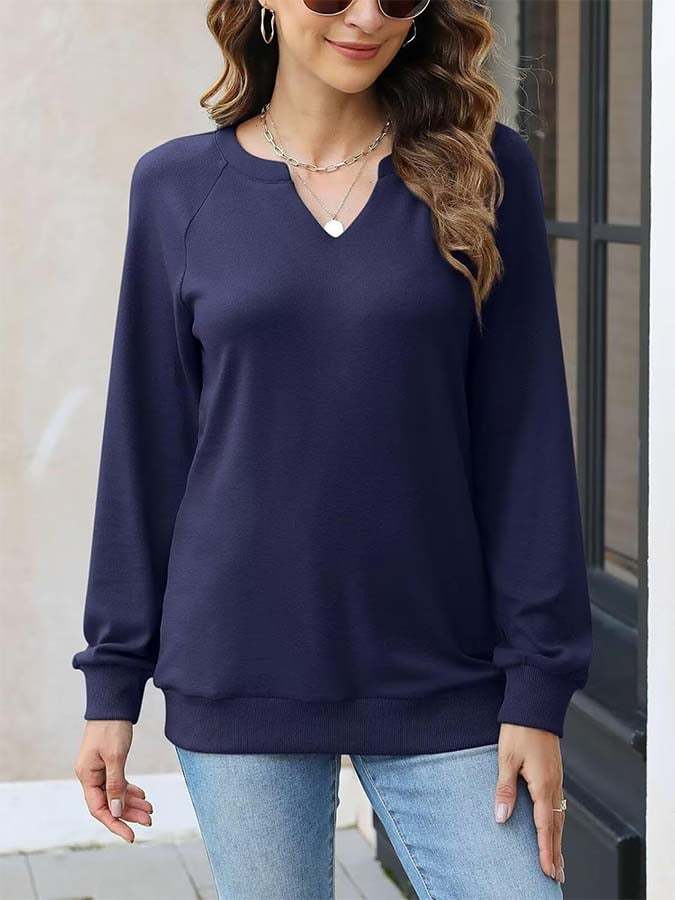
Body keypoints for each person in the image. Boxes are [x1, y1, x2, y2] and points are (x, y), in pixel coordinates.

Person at [72, 1, 593, 897]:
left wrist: (538, 689)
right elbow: (146, 449)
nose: (364, 18)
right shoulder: (175, 187)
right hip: (239, 665)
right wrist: (112, 686)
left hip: (447, 668)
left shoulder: (483, 170)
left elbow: (525, 443)